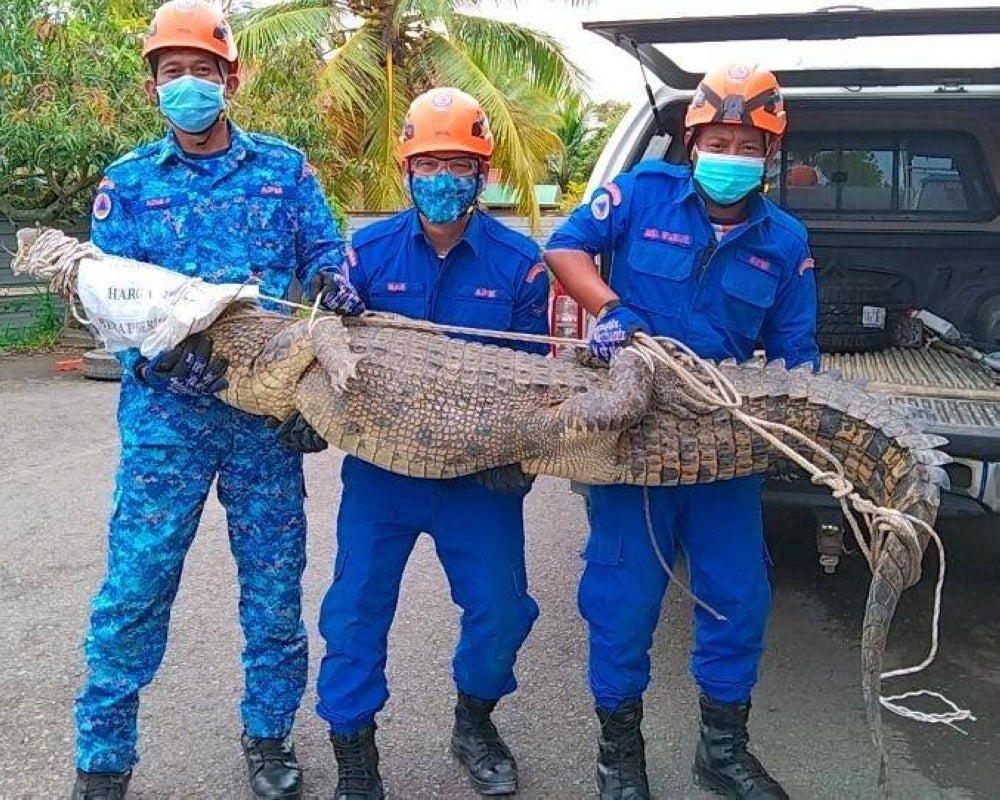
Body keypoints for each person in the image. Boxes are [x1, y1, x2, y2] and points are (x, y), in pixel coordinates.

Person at [70, 2, 354, 798]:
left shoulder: (285, 170)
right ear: (153, 87)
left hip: (265, 419)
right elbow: (108, 301)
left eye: (204, 70)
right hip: (166, 424)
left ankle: (269, 735)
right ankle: (103, 760)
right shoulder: (128, 183)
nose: (189, 84)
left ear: (231, 80)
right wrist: (156, 360)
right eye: (173, 72)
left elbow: (325, 253)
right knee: (135, 590)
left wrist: (335, 283)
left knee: (273, 589)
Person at [543, 64, 819, 800]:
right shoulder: (640, 193)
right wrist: (610, 310)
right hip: (633, 438)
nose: (731, 155)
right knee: (623, 598)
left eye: (748, 145)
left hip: (723, 445)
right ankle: (619, 757)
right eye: (718, 141)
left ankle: (721, 753)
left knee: (739, 598)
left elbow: (797, 353)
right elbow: (564, 247)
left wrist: (796, 426)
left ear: (769, 155)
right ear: (693, 142)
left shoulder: (785, 241)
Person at [303, 86, 550, 800]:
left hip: (478, 477)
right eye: (429, 164)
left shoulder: (520, 264)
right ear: (406, 170)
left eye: (460, 165)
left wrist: (520, 456)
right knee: (354, 612)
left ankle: (475, 723)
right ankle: (355, 754)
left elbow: (534, 375)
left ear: (483, 173)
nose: (444, 178)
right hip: (382, 475)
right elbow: (320, 339)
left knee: (502, 611)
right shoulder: (365, 254)